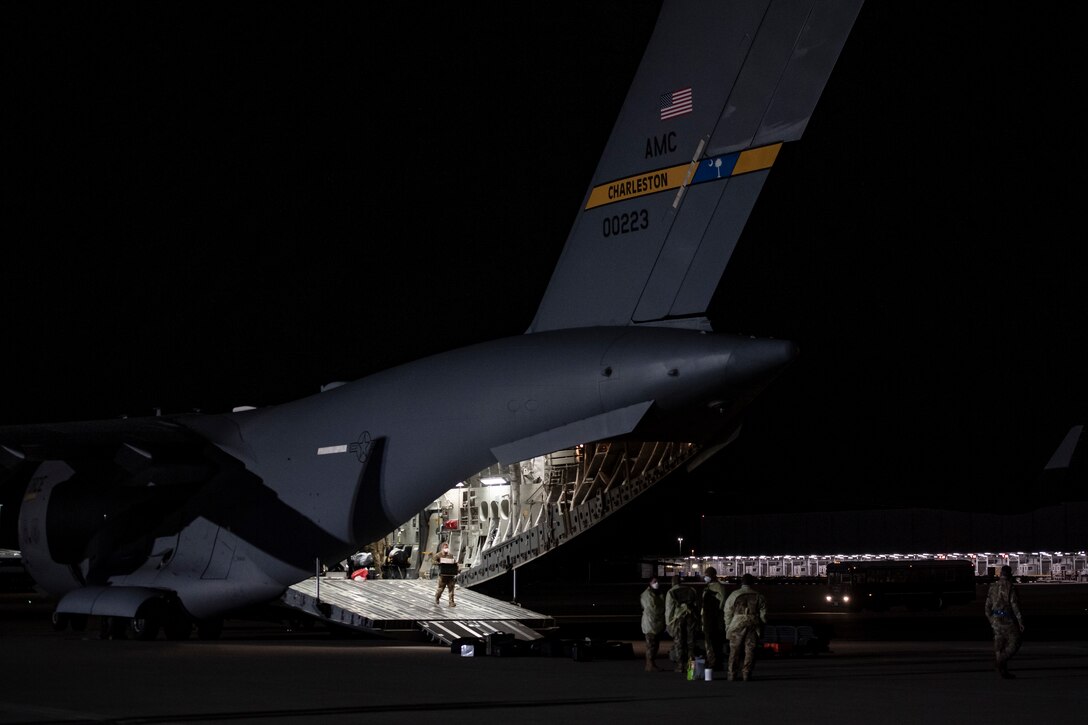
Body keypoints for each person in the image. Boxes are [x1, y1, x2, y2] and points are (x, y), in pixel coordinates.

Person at [722, 573, 768, 681]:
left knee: (734, 650)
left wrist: (728, 626)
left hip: (737, 623)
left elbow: (727, 612)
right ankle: (746, 673)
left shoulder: (734, 595)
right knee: (750, 650)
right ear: (752, 583)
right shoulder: (758, 596)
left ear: (741, 583)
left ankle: (732, 674)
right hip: (752, 623)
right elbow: (763, 615)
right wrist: (761, 624)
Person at [985, 564, 1025, 679]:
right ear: (1010, 574)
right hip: (1007, 619)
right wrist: (1020, 621)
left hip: (995, 620)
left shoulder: (993, 586)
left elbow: (987, 606)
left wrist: (991, 620)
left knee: (999, 645)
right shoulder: (1010, 587)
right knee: (1015, 642)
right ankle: (1000, 662)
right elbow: (1015, 605)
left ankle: (1003, 671)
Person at [664, 573, 700, 673]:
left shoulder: (671, 592)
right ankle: (691, 669)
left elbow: (669, 609)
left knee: (679, 643)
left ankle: (680, 666)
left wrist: (669, 623)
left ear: (672, 582)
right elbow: (697, 605)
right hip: (691, 618)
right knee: (691, 644)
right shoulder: (691, 590)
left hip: (678, 619)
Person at [701, 567, 728, 670]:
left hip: (714, 619)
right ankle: (713, 661)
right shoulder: (708, 587)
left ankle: (715, 662)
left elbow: (722, 603)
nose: (705, 577)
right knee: (710, 641)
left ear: (713, 575)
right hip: (707, 618)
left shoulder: (718, 587)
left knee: (714, 641)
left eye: (707, 575)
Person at [639, 577, 666, 672]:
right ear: (650, 583)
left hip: (655, 624)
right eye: (654, 582)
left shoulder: (655, 593)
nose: (657, 583)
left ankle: (651, 664)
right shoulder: (648, 595)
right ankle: (649, 665)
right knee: (651, 645)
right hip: (650, 624)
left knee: (654, 645)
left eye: (658, 581)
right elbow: (653, 609)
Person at [432, 541, 458, 606]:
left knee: (451, 589)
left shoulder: (450, 555)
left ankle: (451, 602)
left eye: (447, 547)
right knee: (440, 589)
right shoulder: (438, 555)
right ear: (442, 548)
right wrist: (439, 563)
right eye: (445, 547)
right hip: (443, 575)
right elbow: (433, 561)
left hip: (450, 575)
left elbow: (453, 562)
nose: (446, 549)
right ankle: (437, 598)